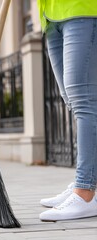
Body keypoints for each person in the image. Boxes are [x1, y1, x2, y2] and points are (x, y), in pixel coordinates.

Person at [37, 0, 97, 221]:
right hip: (51, 16)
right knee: (72, 100)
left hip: (82, 8)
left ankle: (85, 192)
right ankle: (88, 185)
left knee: (84, 101)